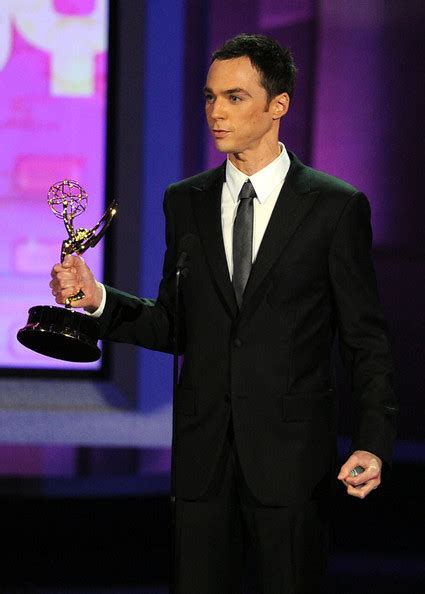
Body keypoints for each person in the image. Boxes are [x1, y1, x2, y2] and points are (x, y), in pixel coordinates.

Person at [50, 34, 397, 594]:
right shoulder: (184, 200)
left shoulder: (335, 207)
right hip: (203, 459)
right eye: (210, 97)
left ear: (277, 105)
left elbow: (366, 340)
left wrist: (373, 440)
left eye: (234, 97)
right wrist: (99, 300)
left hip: (292, 463)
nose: (215, 112)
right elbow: (174, 323)